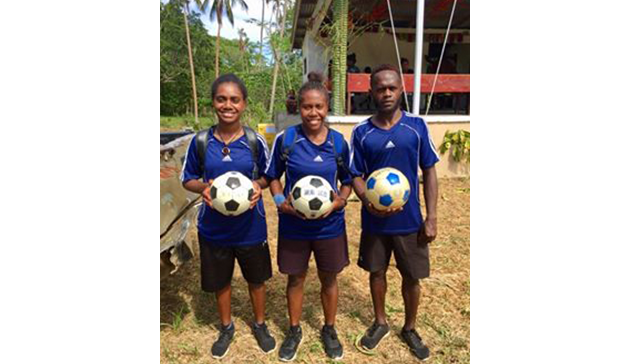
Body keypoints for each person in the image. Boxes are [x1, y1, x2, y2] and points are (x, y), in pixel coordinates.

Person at [181, 73, 276, 359]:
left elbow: (268, 176)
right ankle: (226, 326)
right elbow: (188, 179)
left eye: (234, 99)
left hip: (251, 226)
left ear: (244, 104)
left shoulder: (254, 140)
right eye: (222, 99)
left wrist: (258, 187)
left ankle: (259, 325)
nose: (228, 104)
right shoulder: (200, 141)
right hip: (214, 227)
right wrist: (205, 187)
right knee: (221, 280)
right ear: (213, 102)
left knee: (255, 279)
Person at [349, 64, 439, 361]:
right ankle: (380, 322)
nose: (386, 93)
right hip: (375, 221)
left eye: (392, 88)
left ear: (402, 90)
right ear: (370, 92)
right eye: (380, 88)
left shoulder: (417, 126)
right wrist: (366, 199)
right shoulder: (361, 132)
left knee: (411, 276)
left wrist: (432, 217)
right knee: (377, 271)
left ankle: (410, 328)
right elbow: (355, 174)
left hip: (410, 221)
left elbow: (429, 170)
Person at [264, 79, 356, 362]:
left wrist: (340, 200)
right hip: (294, 225)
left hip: (329, 225)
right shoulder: (287, 139)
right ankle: (294, 330)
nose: (313, 112)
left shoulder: (338, 142)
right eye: (307, 107)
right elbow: (272, 176)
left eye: (318, 106)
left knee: (329, 277)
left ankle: (329, 329)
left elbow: (348, 180)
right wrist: (281, 203)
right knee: (296, 277)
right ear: (299, 108)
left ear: (327, 108)